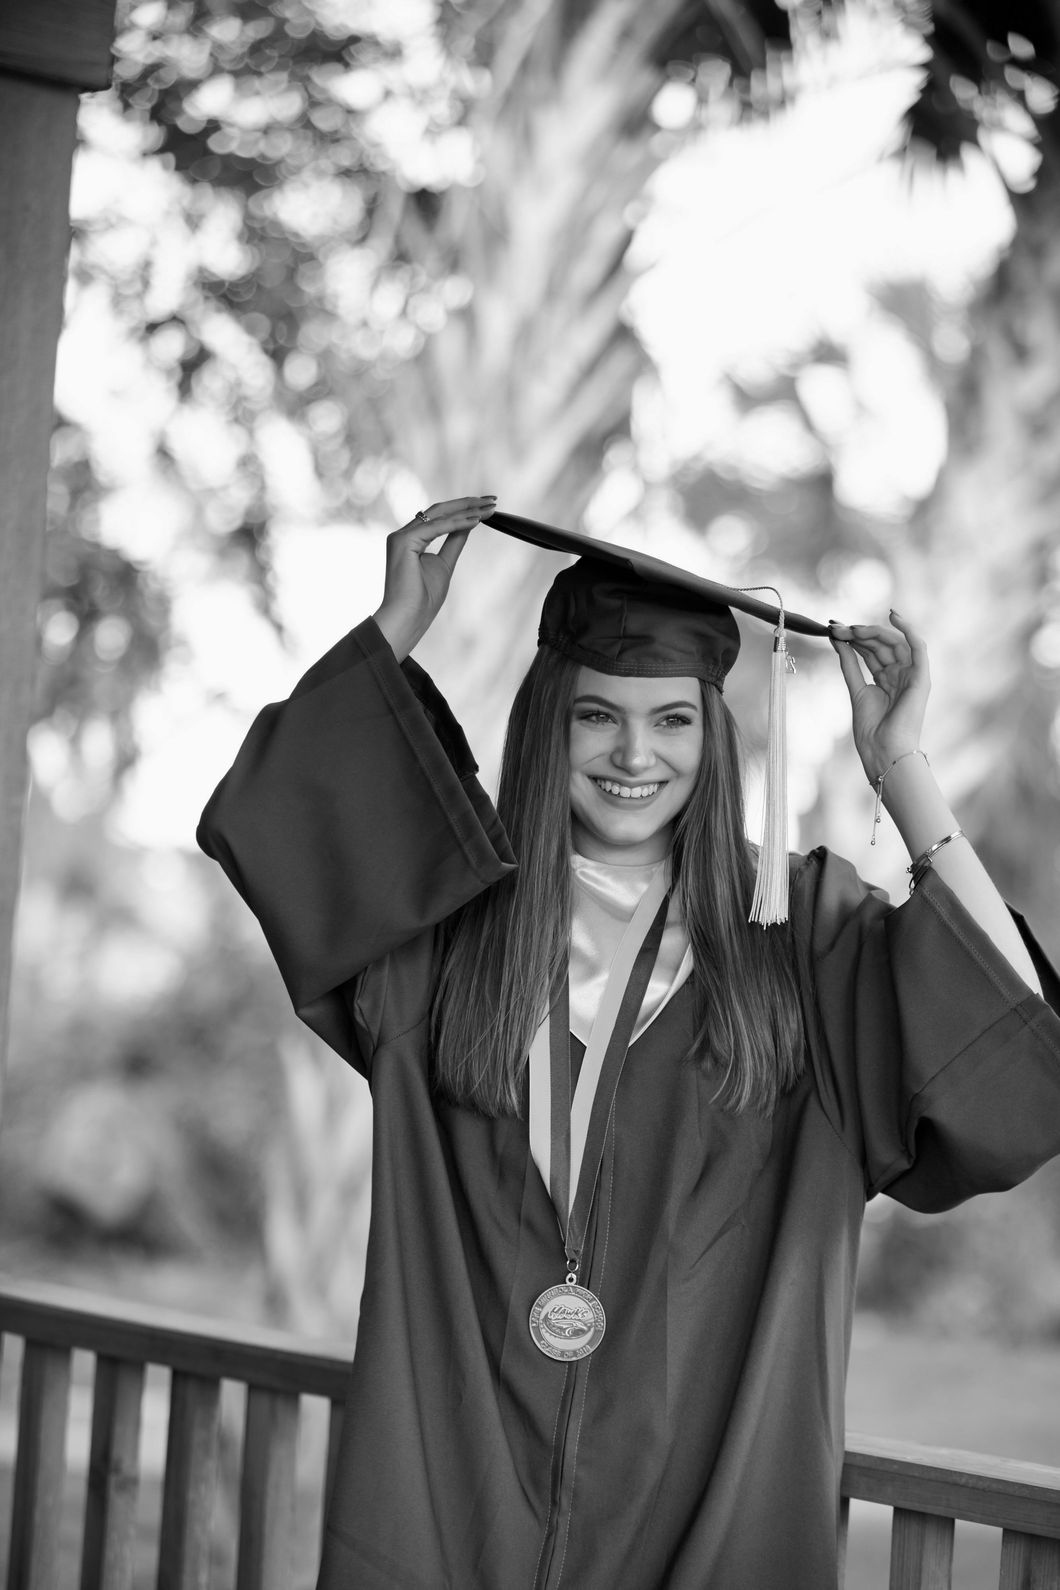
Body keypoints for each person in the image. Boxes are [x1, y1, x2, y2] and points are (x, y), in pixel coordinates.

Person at [197, 494, 1060, 1590]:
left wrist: (902, 768)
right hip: (460, 1493)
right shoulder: (444, 933)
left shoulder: (799, 945)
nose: (633, 755)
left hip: (709, 1501)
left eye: (671, 720)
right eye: (596, 716)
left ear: (716, 736)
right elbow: (279, 824)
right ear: (547, 723)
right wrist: (394, 625)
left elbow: (1015, 1052)